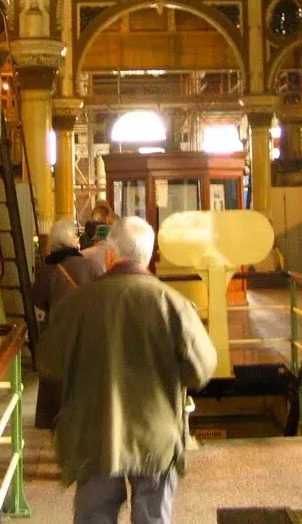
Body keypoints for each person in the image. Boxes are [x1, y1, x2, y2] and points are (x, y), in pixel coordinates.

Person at [38, 216, 217, 524]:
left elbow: (49, 364)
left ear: (109, 254)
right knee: (153, 517)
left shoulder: (75, 305)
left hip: (95, 434)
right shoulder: (172, 303)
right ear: (148, 256)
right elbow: (202, 369)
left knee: (94, 516)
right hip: (156, 435)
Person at [32, 220, 103, 430]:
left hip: (56, 330)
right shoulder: (89, 265)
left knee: (55, 378)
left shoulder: (46, 269)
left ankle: (54, 421)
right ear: (72, 239)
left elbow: (37, 299)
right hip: (86, 331)